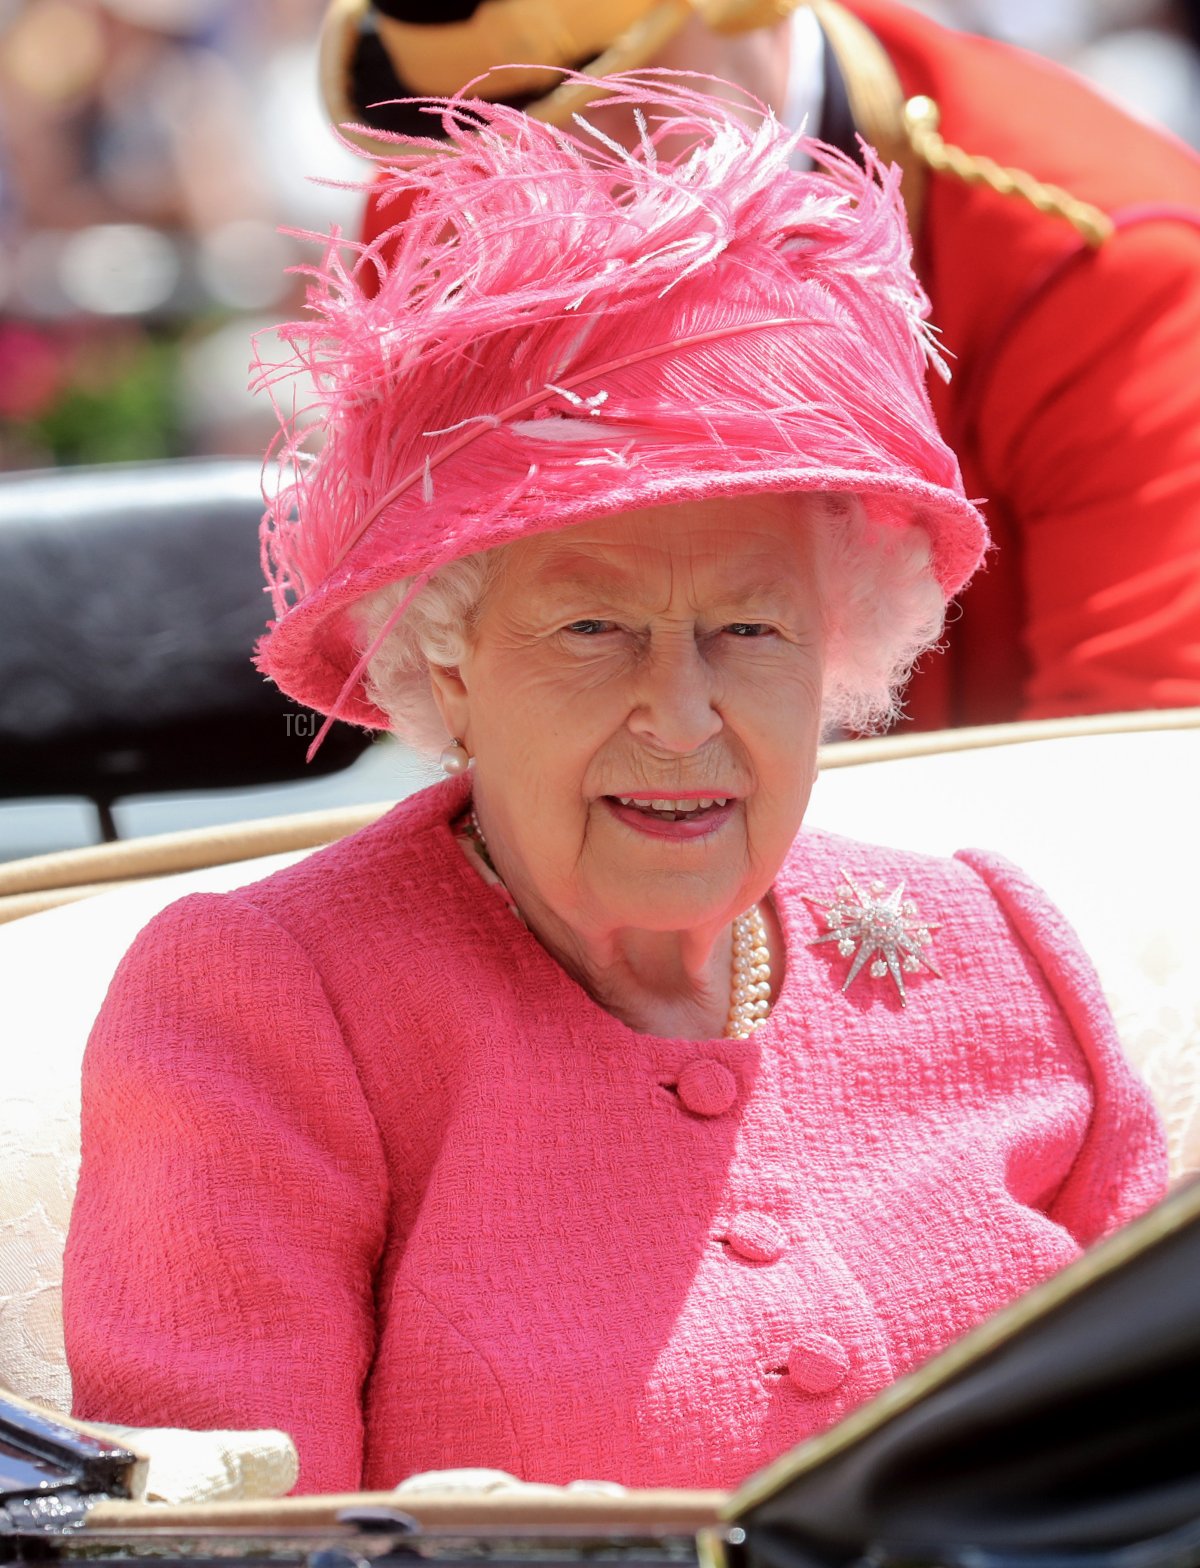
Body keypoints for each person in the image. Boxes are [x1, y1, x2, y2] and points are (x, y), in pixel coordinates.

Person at [63, 80, 1166, 1496]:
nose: (682, 713)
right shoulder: (265, 1010)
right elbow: (235, 1536)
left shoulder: (995, 953)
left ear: (837, 649)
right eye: (595, 632)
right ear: (443, 660)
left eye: (748, 630)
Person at [320, 0, 1200, 730]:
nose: (553, 179)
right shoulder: (448, 205)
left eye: (614, 101)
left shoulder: (1102, 261)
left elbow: (1123, 783)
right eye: (494, 133)